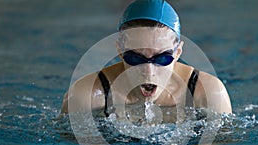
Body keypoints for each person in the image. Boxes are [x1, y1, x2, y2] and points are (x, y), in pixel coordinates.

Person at [61, 0, 232, 117]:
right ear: (120, 51)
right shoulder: (86, 96)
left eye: (163, 58)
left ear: (178, 52)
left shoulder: (208, 93)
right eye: (135, 58)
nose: (148, 71)